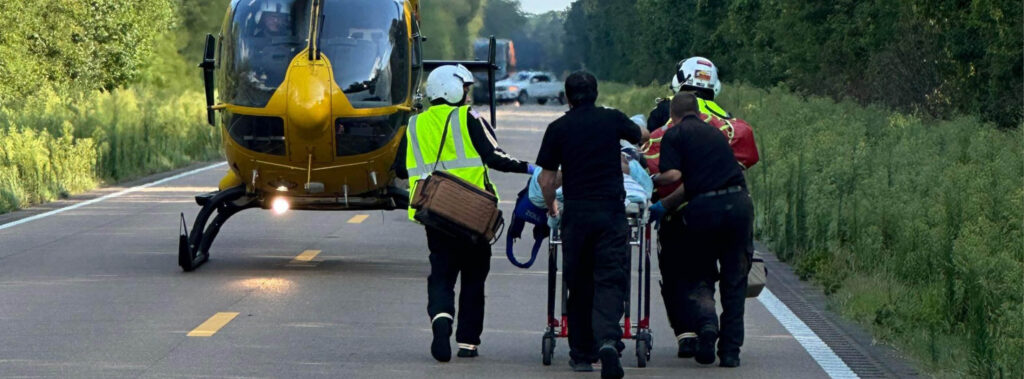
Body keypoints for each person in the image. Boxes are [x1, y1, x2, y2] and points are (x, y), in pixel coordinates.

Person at [397, 64, 537, 362]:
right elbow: (494, 157)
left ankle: (441, 321)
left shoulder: (413, 125)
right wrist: (529, 167)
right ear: (453, 88)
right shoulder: (468, 117)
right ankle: (468, 342)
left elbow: (399, 168)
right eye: (465, 88)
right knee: (474, 278)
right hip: (473, 214)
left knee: (441, 274)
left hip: (434, 213)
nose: (468, 94)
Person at [535, 71, 648, 379]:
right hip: (611, 212)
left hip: (578, 216)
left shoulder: (558, 128)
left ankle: (582, 354)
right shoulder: (611, 120)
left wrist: (552, 206)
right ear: (596, 93)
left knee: (580, 282)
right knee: (610, 278)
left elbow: (546, 179)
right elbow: (641, 136)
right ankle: (609, 341)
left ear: (567, 97)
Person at [648, 93, 754, 368]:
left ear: (673, 114)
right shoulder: (716, 134)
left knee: (699, 275)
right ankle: (730, 352)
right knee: (734, 281)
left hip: (704, 211)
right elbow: (703, 180)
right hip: (738, 205)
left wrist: (650, 180)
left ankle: (707, 325)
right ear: (698, 111)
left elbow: (674, 177)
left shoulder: (674, 134)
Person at [646, 57, 732, 132]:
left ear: (679, 79)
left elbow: (648, 140)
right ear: (716, 85)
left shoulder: (666, 106)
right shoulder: (725, 116)